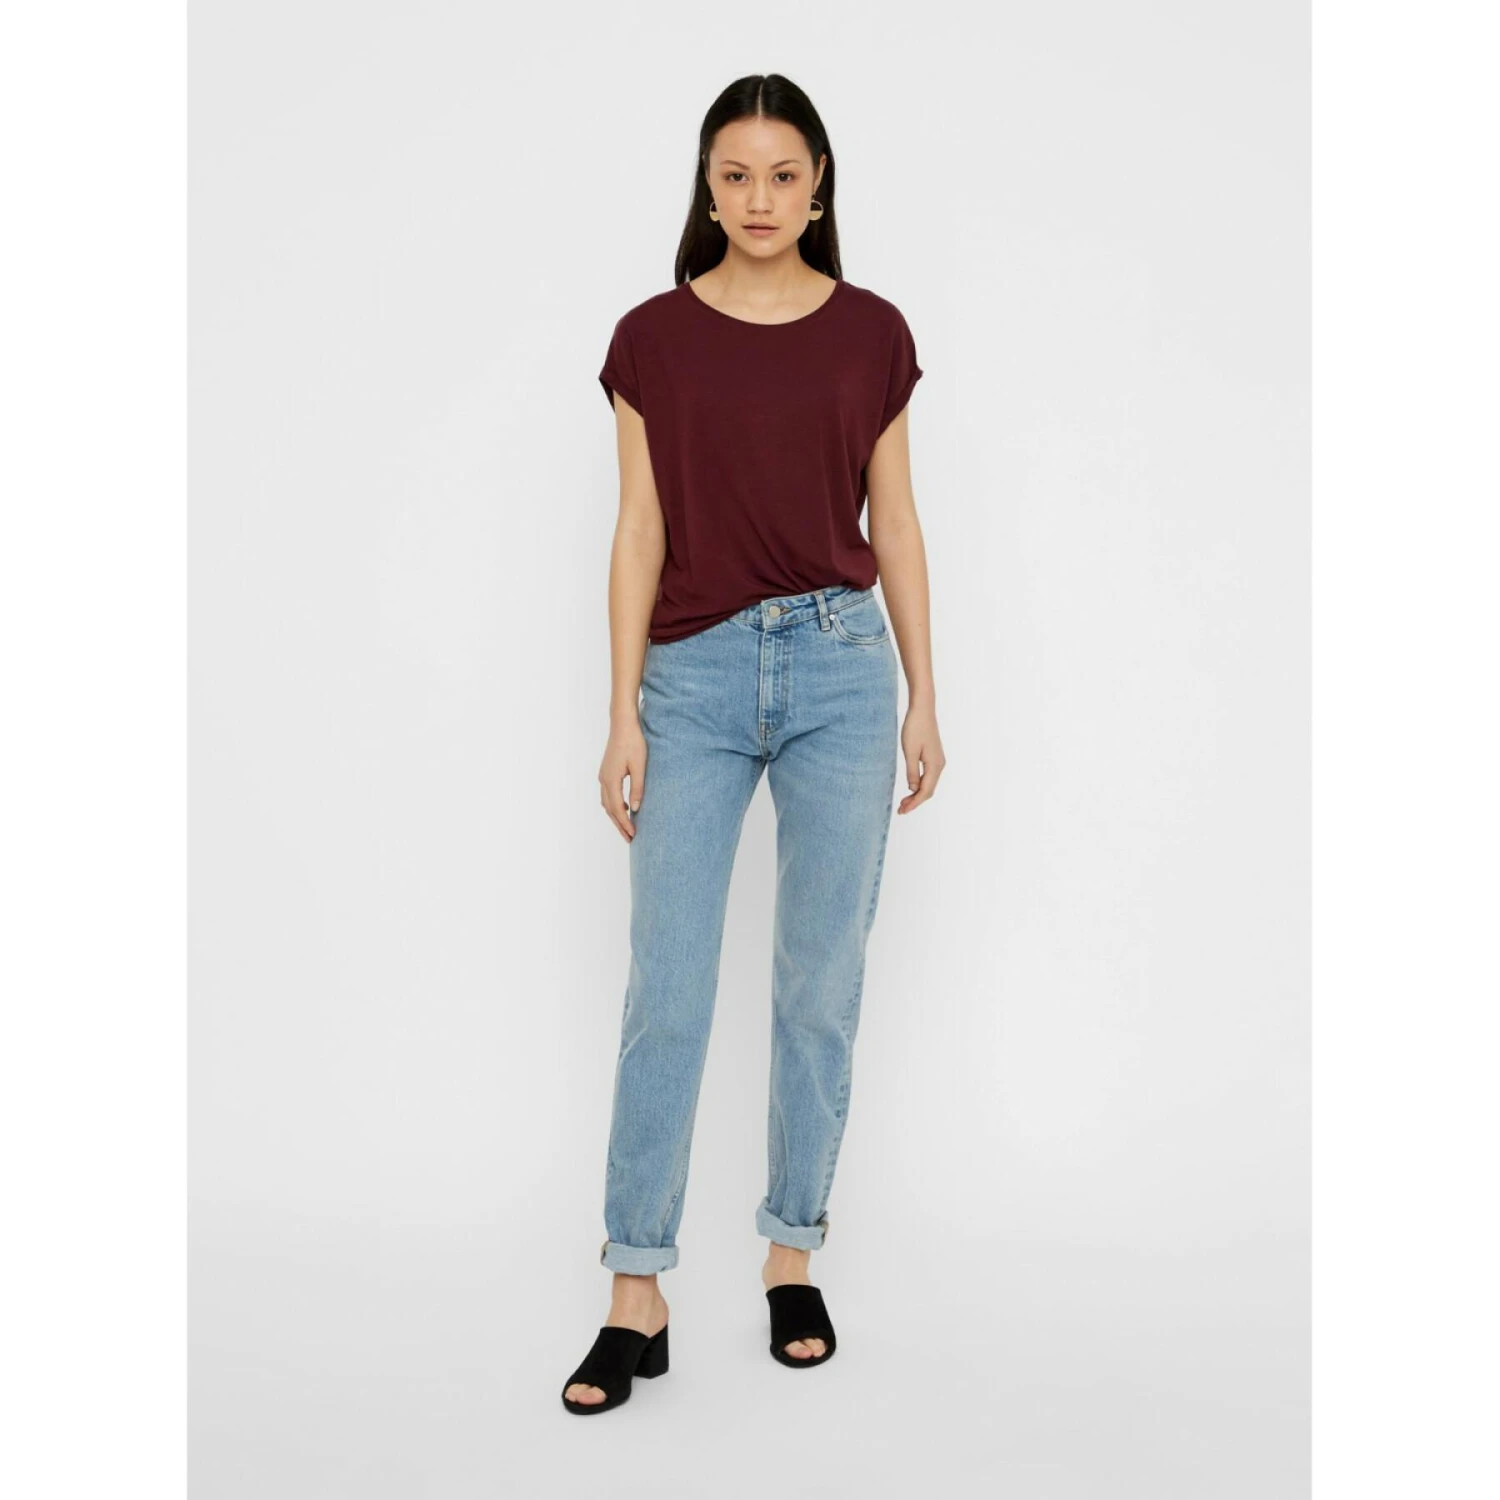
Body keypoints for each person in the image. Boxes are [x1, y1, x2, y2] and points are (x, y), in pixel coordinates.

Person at [562, 73, 946, 1415]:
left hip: (844, 670)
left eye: (786, 175)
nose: (762, 198)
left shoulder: (873, 334)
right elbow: (639, 531)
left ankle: (792, 1257)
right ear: (707, 188)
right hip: (696, 678)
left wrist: (925, 692)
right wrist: (622, 708)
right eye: (737, 175)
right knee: (668, 986)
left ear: (819, 187)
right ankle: (637, 1289)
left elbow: (895, 521)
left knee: (818, 985)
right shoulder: (652, 340)